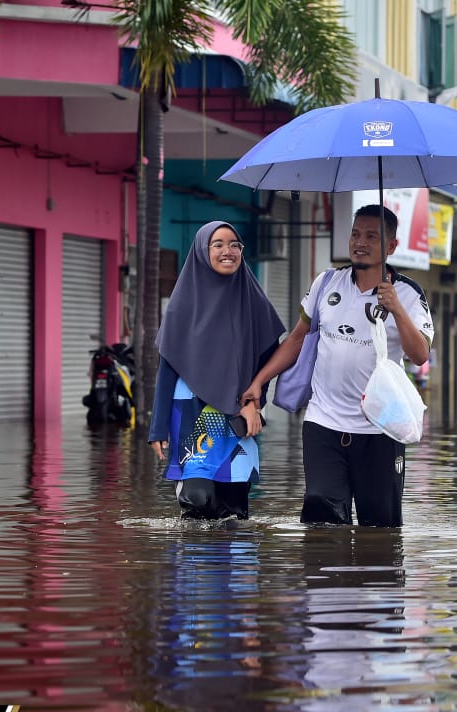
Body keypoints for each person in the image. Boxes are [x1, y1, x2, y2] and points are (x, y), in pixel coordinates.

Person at [241, 204, 433, 528]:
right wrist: (259, 381)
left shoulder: (408, 294)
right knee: (320, 512)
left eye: (372, 236)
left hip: (380, 428)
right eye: (356, 234)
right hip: (323, 422)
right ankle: (326, 578)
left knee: (380, 527)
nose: (360, 242)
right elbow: (297, 339)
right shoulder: (327, 283)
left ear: (391, 247)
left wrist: (396, 309)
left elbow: (420, 355)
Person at [149, 221, 285, 521]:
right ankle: (195, 565)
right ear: (201, 250)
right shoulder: (181, 307)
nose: (228, 251)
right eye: (218, 244)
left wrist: (254, 403)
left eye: (235, 244)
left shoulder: (254, 301)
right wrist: (157, 428)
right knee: (197, 500)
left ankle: (232, 566)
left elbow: (269, 361)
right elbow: (167, 370)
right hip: (192, 414)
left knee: (233, 512)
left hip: (238, 416)